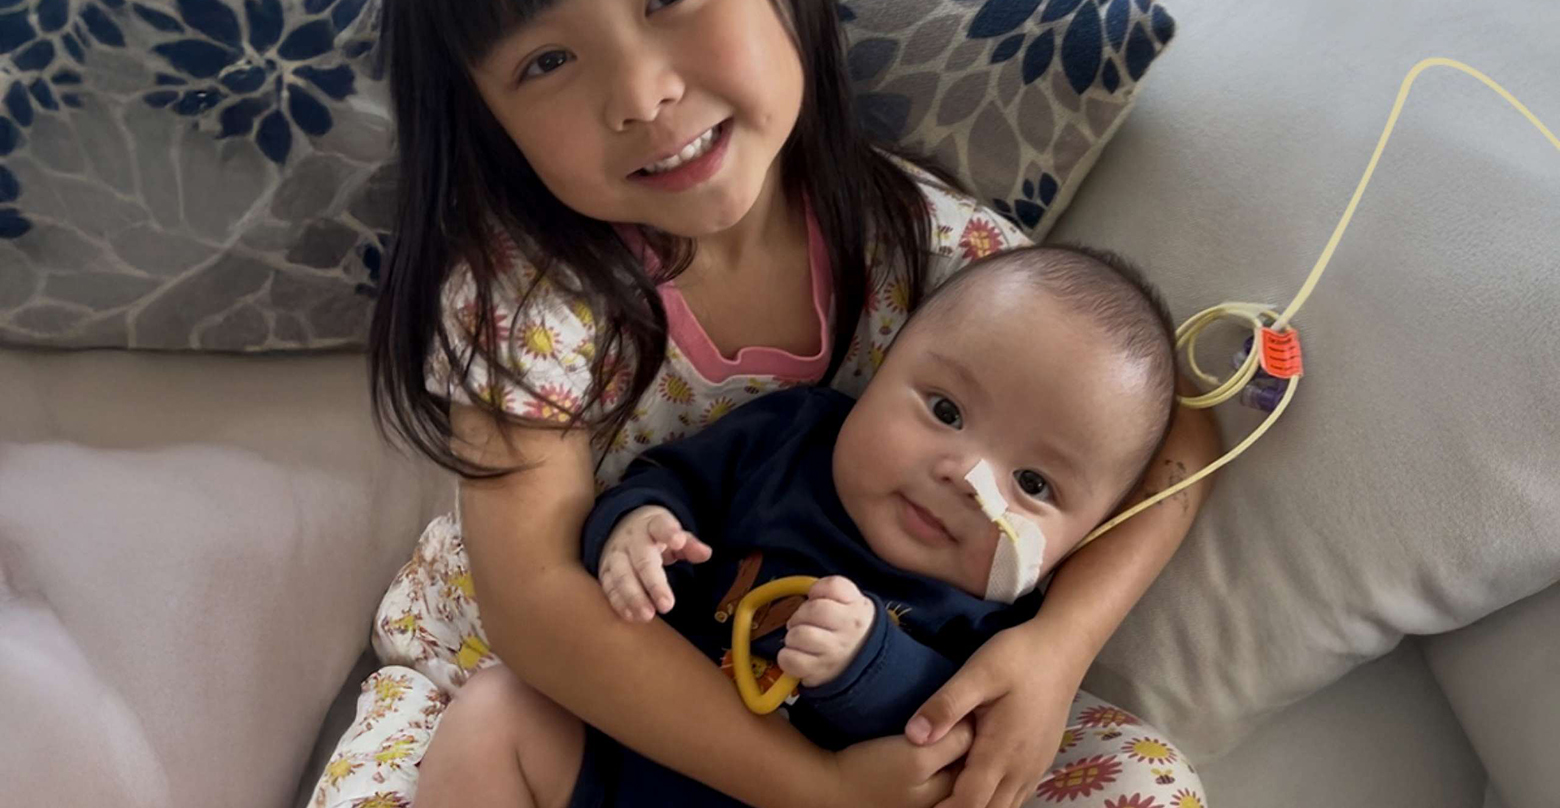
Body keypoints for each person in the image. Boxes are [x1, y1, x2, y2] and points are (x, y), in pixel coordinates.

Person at [312, 0, 1221, 806]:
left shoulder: (918, 243)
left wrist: (1059, 646)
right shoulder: (526, 304)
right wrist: (819, 793)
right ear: (487, 118)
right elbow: (539, 613)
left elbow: (1182, 431)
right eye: (548, 58)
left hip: (855, 690)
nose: (643, 94)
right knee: (483, 729)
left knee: (1142, 783)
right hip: (578, 700)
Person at [441, 244, 1182, 808]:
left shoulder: (996, 615)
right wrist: (638, 530)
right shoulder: (790, 437)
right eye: (945, 412)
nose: (966, 478)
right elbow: (672, 480)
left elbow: (947, 737)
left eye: (1033, 485)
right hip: (630, 754)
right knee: (497, 712)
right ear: (883, 365)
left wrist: (869, 666)